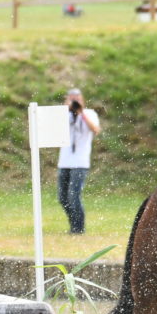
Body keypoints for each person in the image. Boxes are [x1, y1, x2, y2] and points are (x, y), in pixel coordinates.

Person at [57, 87, 101, 234]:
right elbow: (53, 126)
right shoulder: (64, 115)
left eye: (78, 99)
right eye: (72, 98)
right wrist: (65, 109)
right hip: (64, 161)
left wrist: (81, 113)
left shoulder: (89, 114)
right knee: (62, 197)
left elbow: (95, 129)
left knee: (73, 195)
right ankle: (73, 223)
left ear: (82, 100)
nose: (75, 101)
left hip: (80, 162)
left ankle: (78, 228)